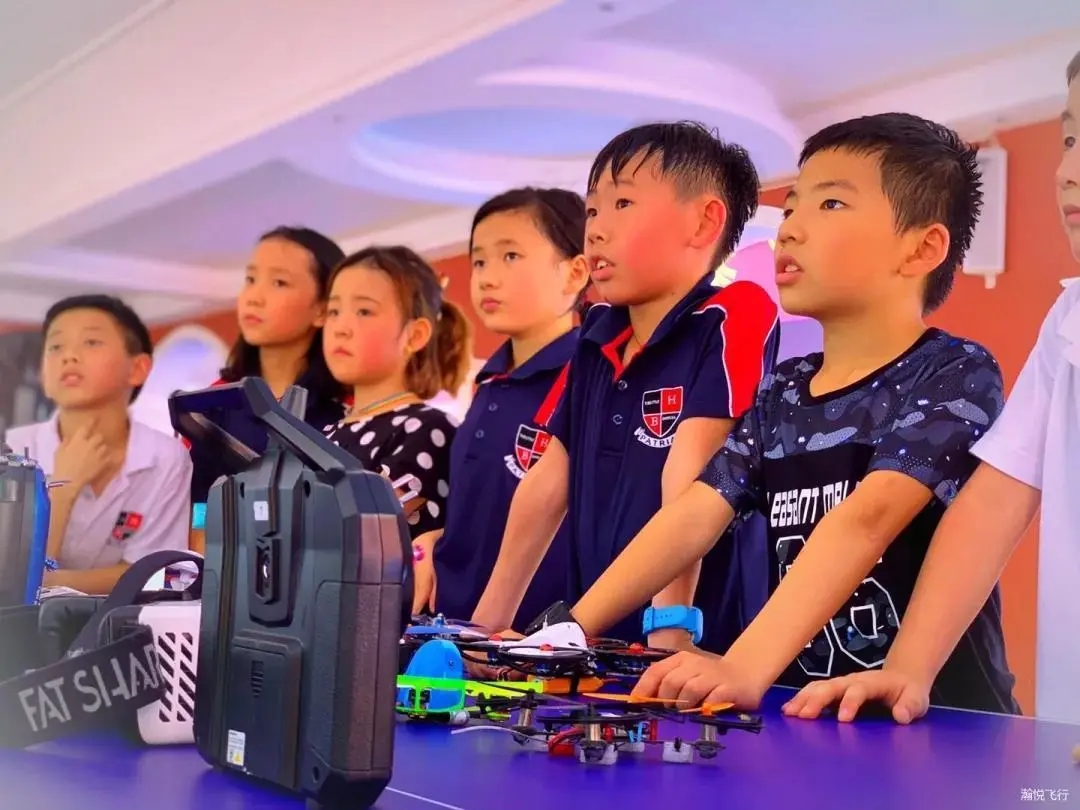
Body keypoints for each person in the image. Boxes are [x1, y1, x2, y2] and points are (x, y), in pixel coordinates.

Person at [561, 112, 1020, 716]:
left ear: (921, 248)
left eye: (830, 204)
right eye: (793, 206)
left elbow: (870, 517)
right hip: (809, 710)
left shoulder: (954, 371)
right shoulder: (785, 390)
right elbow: (695, 513)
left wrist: (743, 664)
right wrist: (567, 629)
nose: (791, 230)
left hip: (941, 720)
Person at [781, 52, 1080, 726]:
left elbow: (873, 517)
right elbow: (995, 498)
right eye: (1068, 138)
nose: (1065, 170)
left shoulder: (954, 371)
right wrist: (909, 668)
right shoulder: (1068, 321)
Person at [470, 122, 781, 653]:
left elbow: (694, 477)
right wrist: (484, 627)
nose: (595, 230)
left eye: (623, 204)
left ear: (704, 221)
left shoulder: (734, 314)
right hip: (592, 636)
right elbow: (548, 480)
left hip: (697, 647)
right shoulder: (596, 333)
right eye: (593, 210)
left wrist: (670, 629)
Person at [420, 187, 589, 620]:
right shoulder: (489, 383)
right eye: (479, 261)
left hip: (536, 634)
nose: (487, 278)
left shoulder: (587, 378)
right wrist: (437, 539)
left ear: (575, 273)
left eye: (510, 256)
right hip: (454, 625)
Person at [6, 295, 192, 594]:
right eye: (55, 347)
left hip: (123, 620)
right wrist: (64, 490)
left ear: (138, 368)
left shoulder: (166, 457)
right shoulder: (12, 450)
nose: (69, 356)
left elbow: (158, 573)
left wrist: (52, 581)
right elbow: (11, 581)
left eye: (91, 342)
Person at [186, 226, 348, 551]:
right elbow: (201, 507)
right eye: (250, 279)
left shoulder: (346, 408)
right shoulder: (215, 405)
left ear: (322, 309)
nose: (254, 297)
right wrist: (208, 553)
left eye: (279, 283)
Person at [322, 245, 472, 548]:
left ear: (415, 335)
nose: (340, 328)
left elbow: (372, 539)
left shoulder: (428, 429)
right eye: (333, 312)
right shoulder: (327, 430)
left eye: (364, 311)